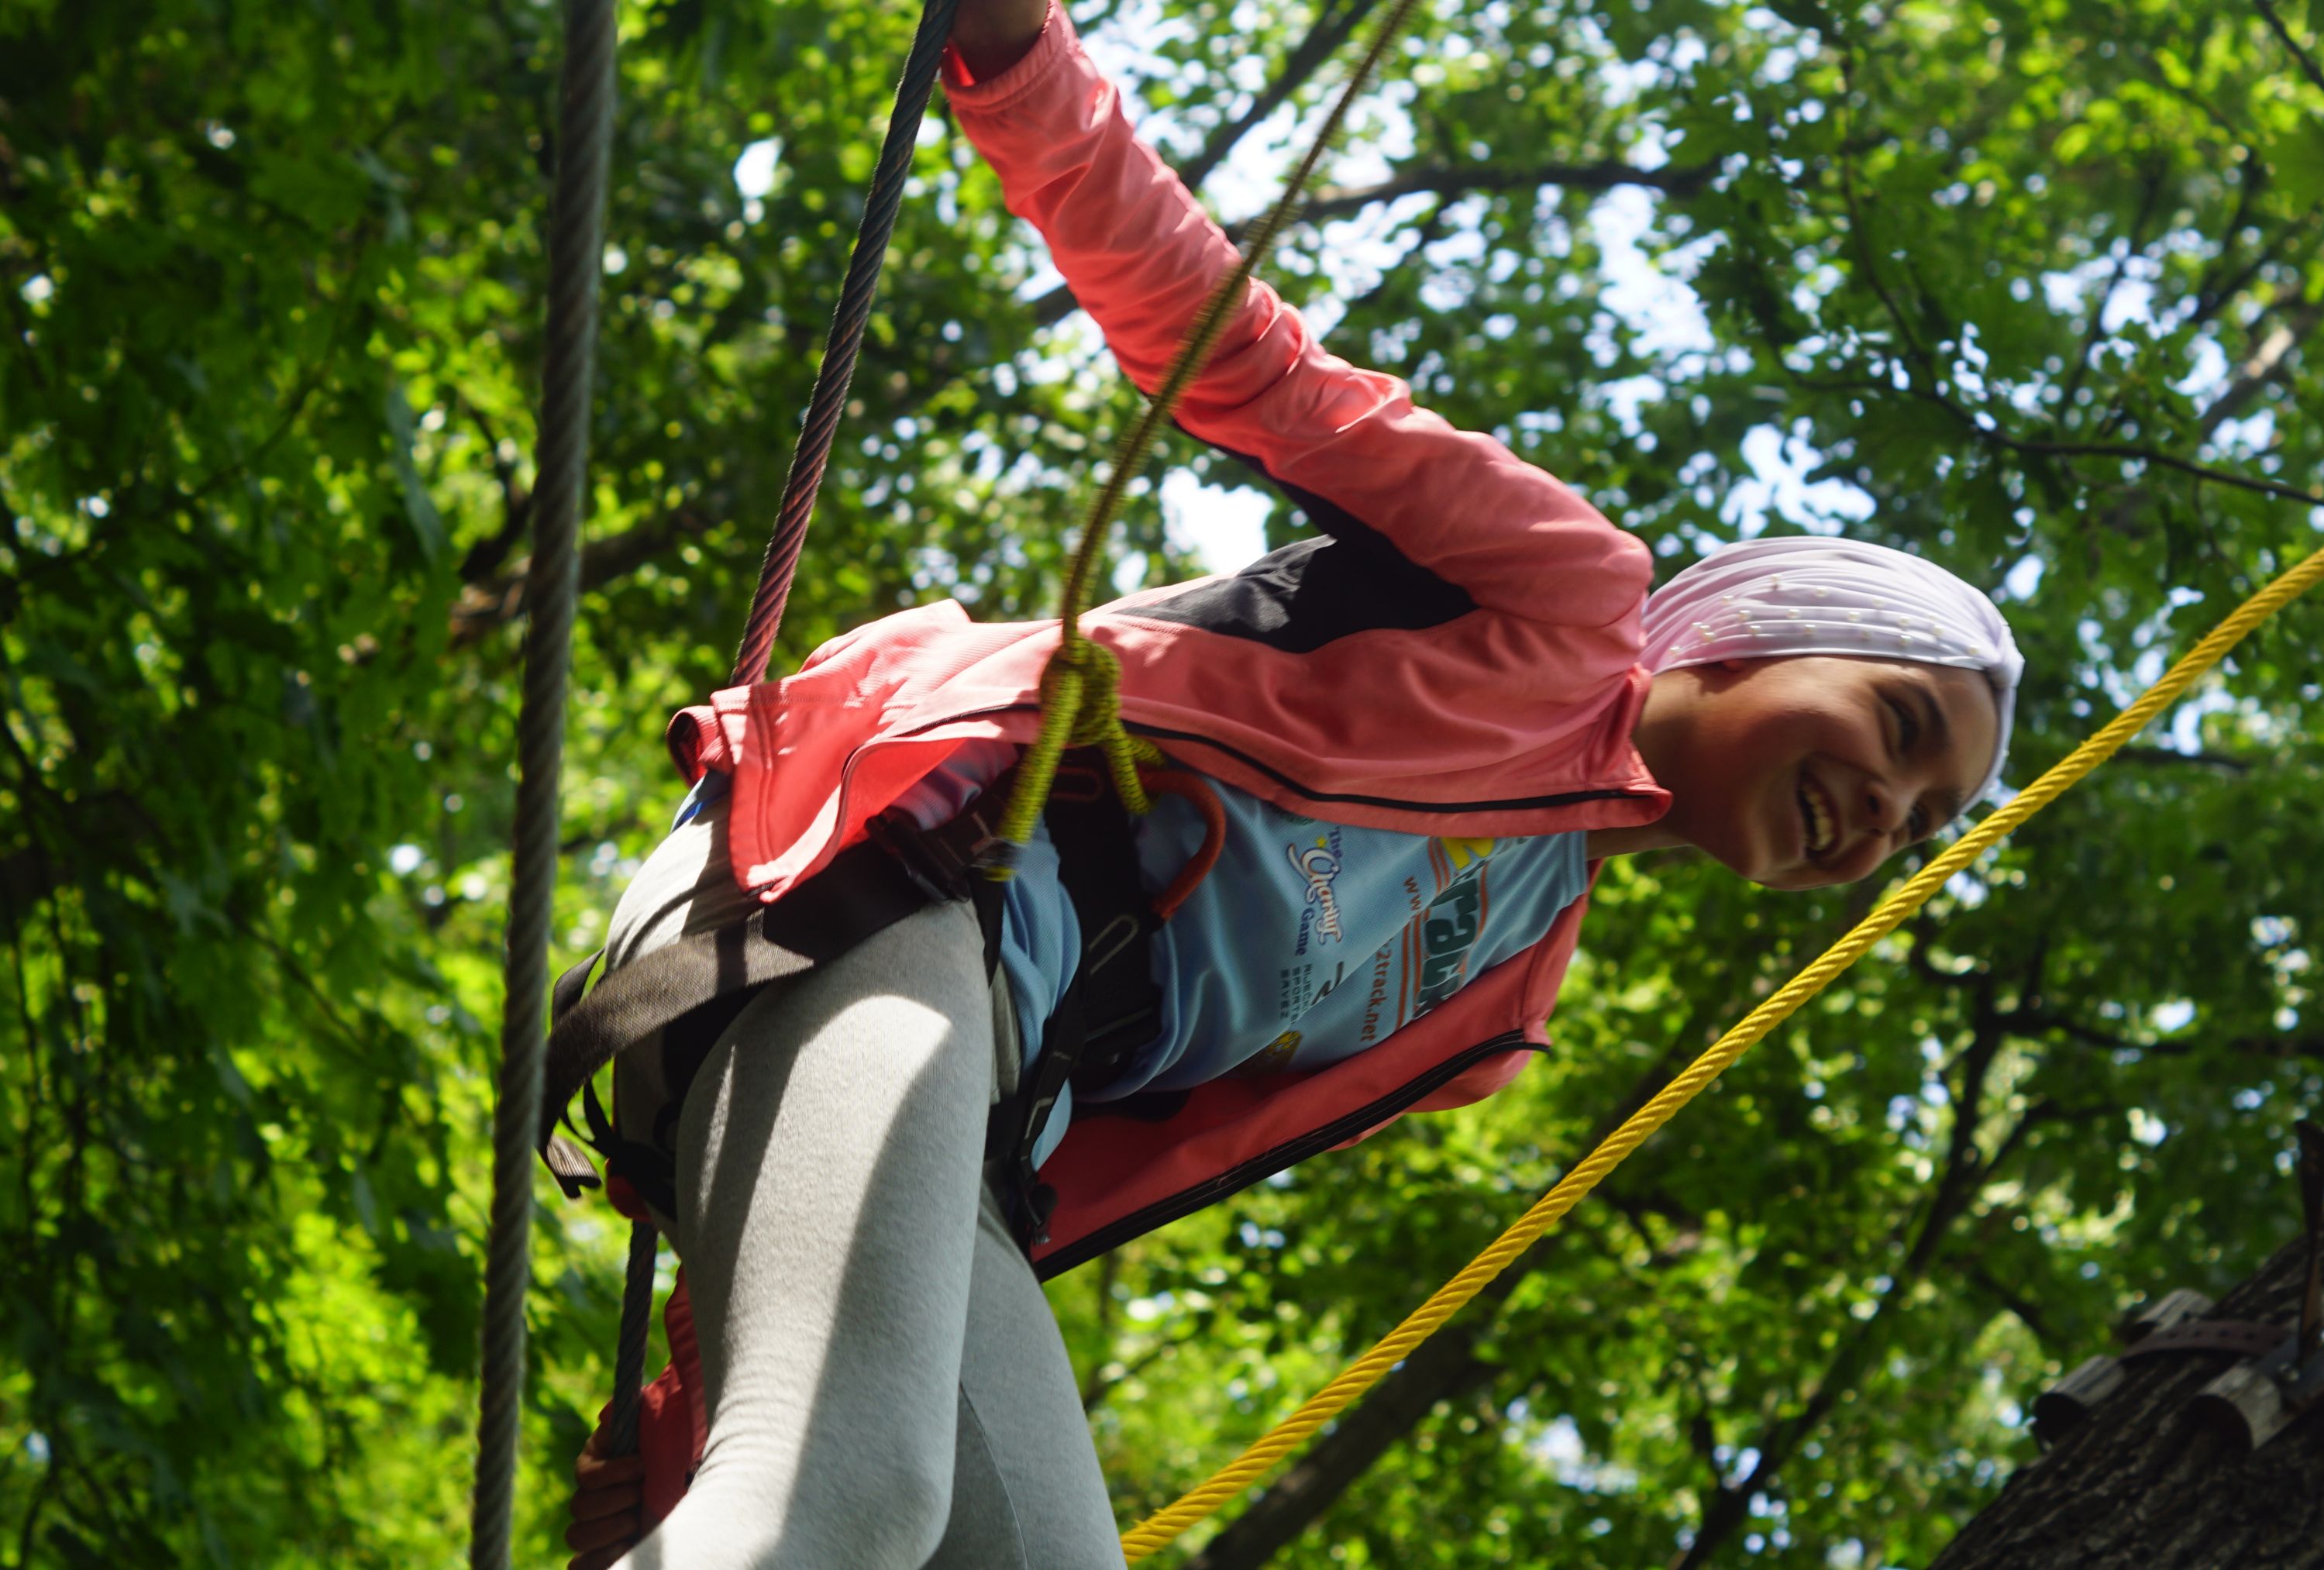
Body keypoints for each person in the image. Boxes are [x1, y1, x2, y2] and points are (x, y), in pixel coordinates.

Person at [556, 1, 2022, 1565]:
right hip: (895, 876)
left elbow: (1084, 1164)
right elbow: (1244, 359)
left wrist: (687, 1418)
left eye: (1928, 823)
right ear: (1753, 635)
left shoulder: (1501, 1001)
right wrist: (1020, 62)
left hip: (973, 1092)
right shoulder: (1564, 595)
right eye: (1901, 725)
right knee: (845, 1495)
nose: (1891, 812)